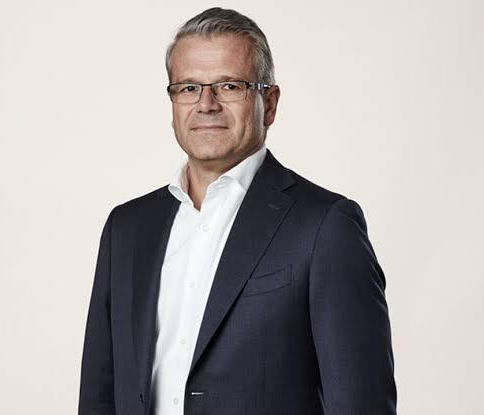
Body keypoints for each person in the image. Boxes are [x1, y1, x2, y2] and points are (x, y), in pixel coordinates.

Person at [78, 7, 396, 415]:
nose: (206, 104)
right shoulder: (127, 228)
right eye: (189, 87)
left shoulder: (325, 226)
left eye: (229, 86)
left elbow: (362, 404)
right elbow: (100, 395)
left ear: (270, 103)